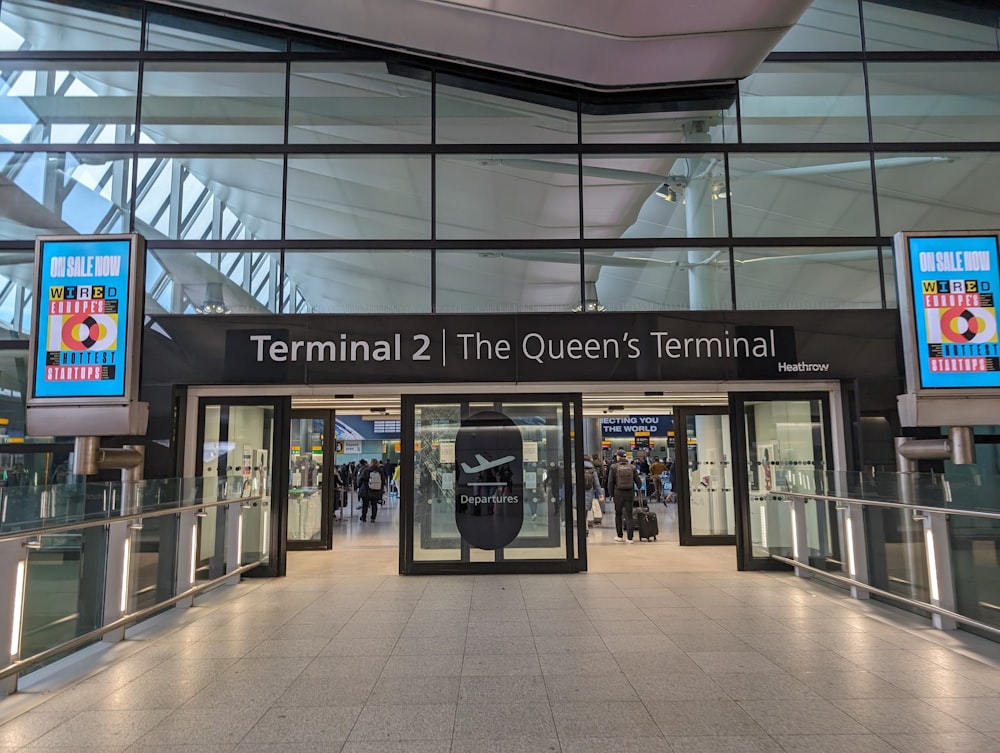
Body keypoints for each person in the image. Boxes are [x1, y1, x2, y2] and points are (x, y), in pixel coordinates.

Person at [607, 449, 640, 543]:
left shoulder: (614, 467)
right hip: (629, 493)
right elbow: (639, 482)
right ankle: (630, 538)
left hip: (618, 493)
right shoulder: (632, 467)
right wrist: (637, 487)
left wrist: (611, 494)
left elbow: (610, 482)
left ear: (618, 456)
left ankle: (619, 536)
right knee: (629, 515)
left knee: (618, 514)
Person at [357, 458, 386, 522]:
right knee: (374, 505)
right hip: (376, 490)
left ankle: (363, 517)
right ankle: (373, 518)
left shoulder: (366, 470)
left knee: (365, 504)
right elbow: (383, 480)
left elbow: (361, 479)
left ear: (371, 463)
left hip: (366, 490)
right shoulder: (380, 471)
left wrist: (359, 486)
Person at [582, 454, 604, 527]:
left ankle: (583, 527)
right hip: (589, 490)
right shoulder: (592, 469)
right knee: (587, 510)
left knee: (580, 511)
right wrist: (600, 494)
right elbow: (597, 483)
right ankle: (586, 527)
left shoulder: (577, 468)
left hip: (578, 492)